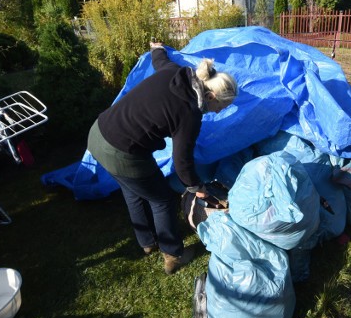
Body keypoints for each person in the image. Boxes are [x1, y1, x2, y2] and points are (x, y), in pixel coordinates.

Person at [87, 41, 238, 274]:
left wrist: (157, 49)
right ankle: (173, 254)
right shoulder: (189, 114)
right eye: (222, 106)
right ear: (209, 95)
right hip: (122, 150)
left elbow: (160, 61)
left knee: (132, 189)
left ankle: (146, 242)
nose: (220, 111)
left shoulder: (175, 73)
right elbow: (182, 161)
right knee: (162, 200)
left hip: (99, 133)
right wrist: (197, 187)